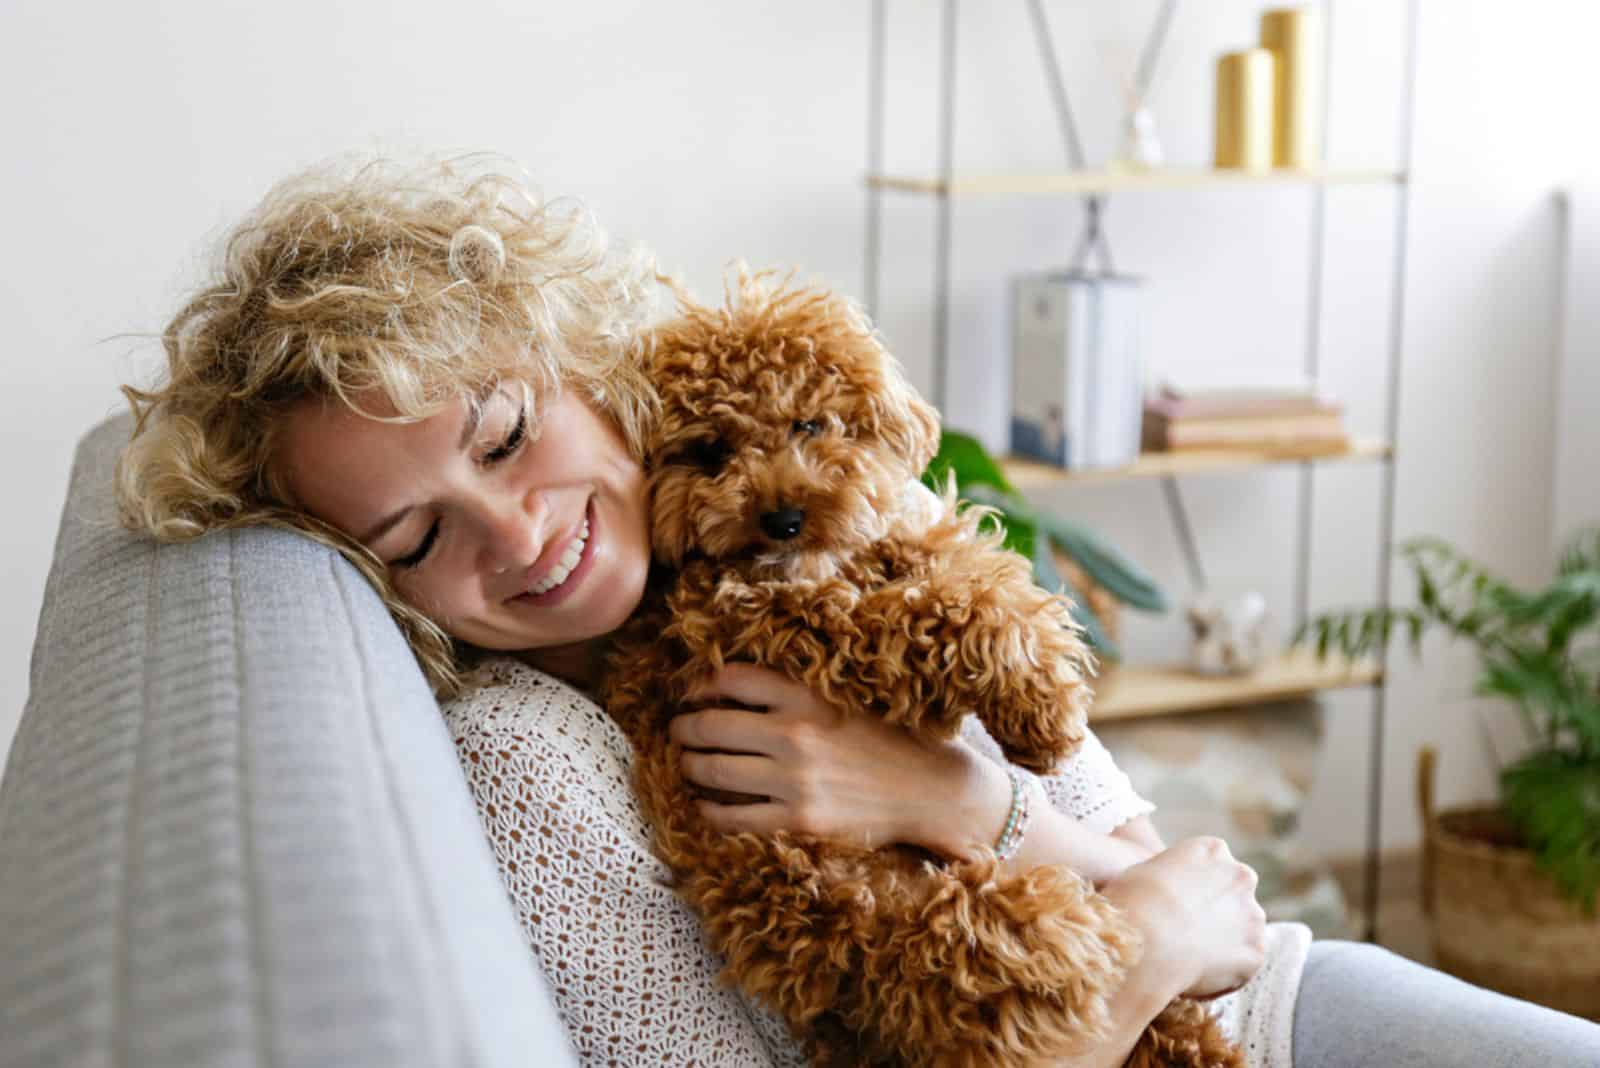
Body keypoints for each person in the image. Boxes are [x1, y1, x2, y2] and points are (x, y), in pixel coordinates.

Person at [116, 155, 1600, 1068]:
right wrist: (1134, 947)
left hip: (1262, 1014)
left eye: (504, 437)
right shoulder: (540, 768)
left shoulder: (843, 520)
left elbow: (1197, 895)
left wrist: (951, 795)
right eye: (420, 533)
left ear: (574, 361)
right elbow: (1155, 921)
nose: (518, 535)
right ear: (379, 585)